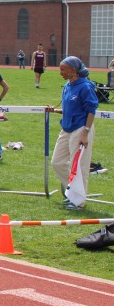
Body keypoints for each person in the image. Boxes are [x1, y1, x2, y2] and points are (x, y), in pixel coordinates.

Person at [46, 56, 98, 209]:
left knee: (80, 166)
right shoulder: (67, 85)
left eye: (63, 69)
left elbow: (91, 111)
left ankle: (78, 201)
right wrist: (55, 110)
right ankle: (73, 193)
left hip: (81, 128)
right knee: (57, 162)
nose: (60, 72)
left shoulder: (85, 86)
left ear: (73, 70)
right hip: (67, 128)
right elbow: (71, 109)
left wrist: (85, 133)